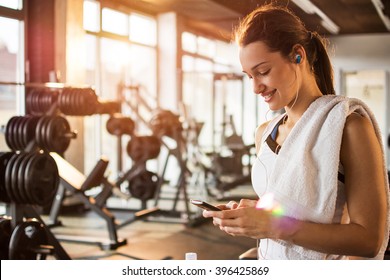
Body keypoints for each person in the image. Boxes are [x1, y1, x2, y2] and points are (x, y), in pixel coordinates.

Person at [203, 4, 389, 260]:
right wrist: (251, 214)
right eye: (249, 76)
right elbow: (285, 208)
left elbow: (369, 240)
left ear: (298, 56)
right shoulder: (264, 134)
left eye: (263, 72)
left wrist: (271, 225)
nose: (256, 87)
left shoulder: (349, 128)